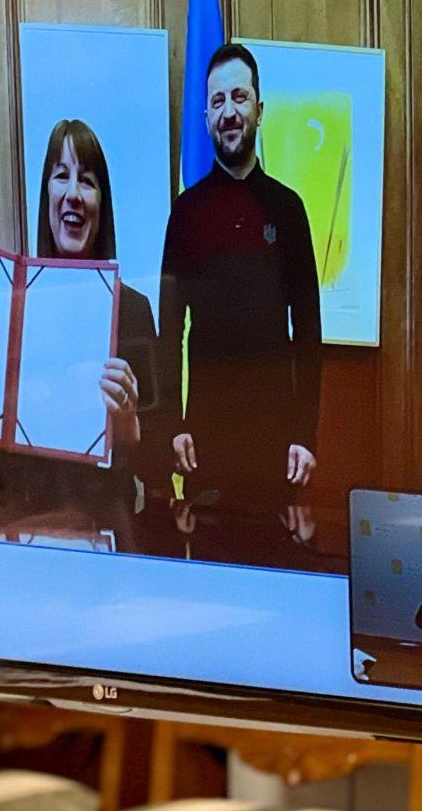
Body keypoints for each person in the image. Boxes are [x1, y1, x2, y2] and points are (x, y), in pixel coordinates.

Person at [0, 118, 157, 506]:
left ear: (103, 202)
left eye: (87, 181)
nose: (73, 194)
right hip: (24, 520)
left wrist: (128, 423)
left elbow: (156, 463)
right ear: (45, 193)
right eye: (61, 176)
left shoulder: (134, 310)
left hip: (106, 521)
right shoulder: (12, 307)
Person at [158, 41, 322, 509]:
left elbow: (308, 330)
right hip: (204, 442)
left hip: (276, 445)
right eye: (217, 101)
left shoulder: (288, 210)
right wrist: (173, 426)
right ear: (206, 118)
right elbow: (169, 331)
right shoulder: (186, 213)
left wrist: (305, 433)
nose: (229, 112)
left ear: (259, 110)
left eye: (239, 97)